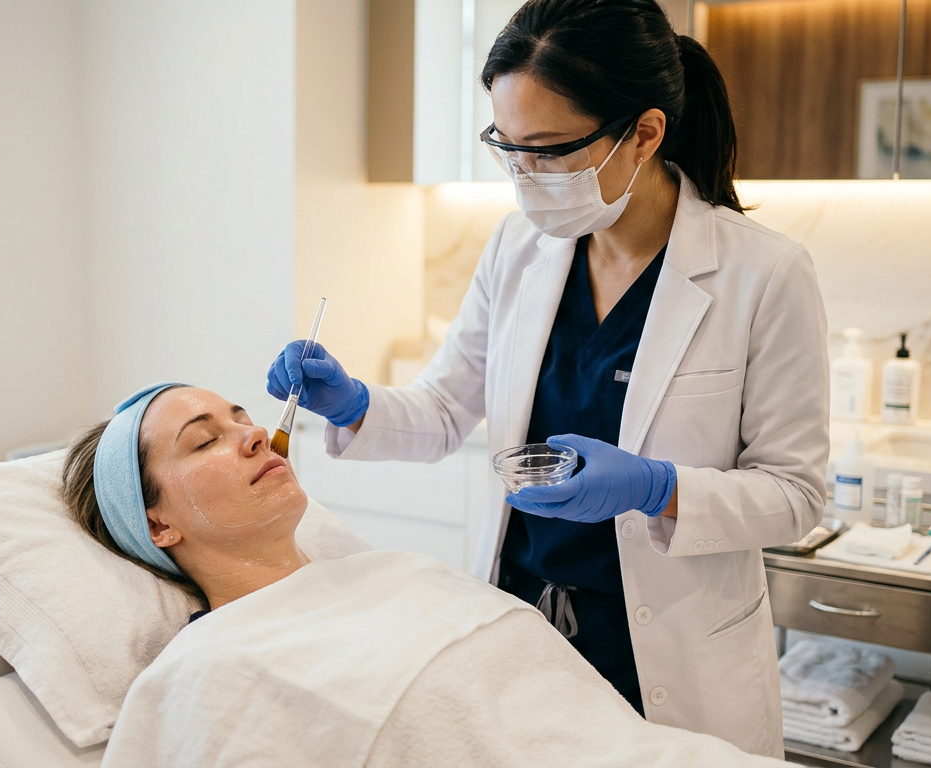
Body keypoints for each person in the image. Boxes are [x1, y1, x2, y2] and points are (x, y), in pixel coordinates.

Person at [266, 0, 829, 757]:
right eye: (509, 147)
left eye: (549, 150)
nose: (525, 176)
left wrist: (658, 488)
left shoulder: (764, 273)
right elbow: (446, 407)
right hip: (522, 628)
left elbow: (796, 495)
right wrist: (355, 404)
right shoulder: (518, 248)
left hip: (668, 657)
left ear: (644, 133)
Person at [61, 383, 787, 768]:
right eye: (205, 441)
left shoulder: (393, 574)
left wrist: (660, 487)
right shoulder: (207, 669)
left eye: (241, 415)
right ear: (159, 525)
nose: (254, 434)